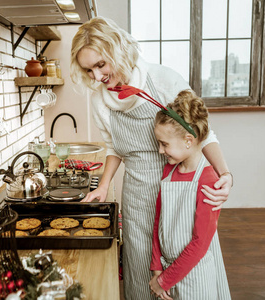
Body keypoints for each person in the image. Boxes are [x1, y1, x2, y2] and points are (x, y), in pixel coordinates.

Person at [70, 16, 233, 300]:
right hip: (138, 196)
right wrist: (104, 185)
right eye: (89, 70)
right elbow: (113, 146)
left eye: (100, 65)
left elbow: (203, 133)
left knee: (187, 264)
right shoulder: (100, 100)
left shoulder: (162, 79)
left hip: (181, 191)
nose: (97, 77)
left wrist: (225, 175)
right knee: (142, 267)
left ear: (117, 50)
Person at [149, 89, 230, 300]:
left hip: (196, 279)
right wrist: (157, 267)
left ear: (188, 140)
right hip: (167, 273)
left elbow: (200, 243)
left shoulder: (208, 180)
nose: (160, 151)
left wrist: (163, 281)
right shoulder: (169, 171)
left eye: (164, 144)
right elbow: (158, 222)